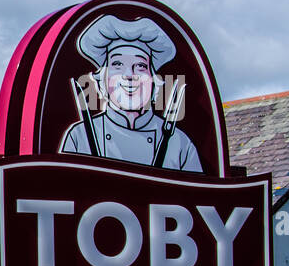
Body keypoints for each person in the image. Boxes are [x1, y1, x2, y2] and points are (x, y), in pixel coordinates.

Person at [59, 14, 202, 172]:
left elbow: (198, 196)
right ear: (102, 80)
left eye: (140, 65)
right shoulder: (80, 137)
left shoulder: (179, 143)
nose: (129, 75)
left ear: (153, 80)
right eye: (118, 64)